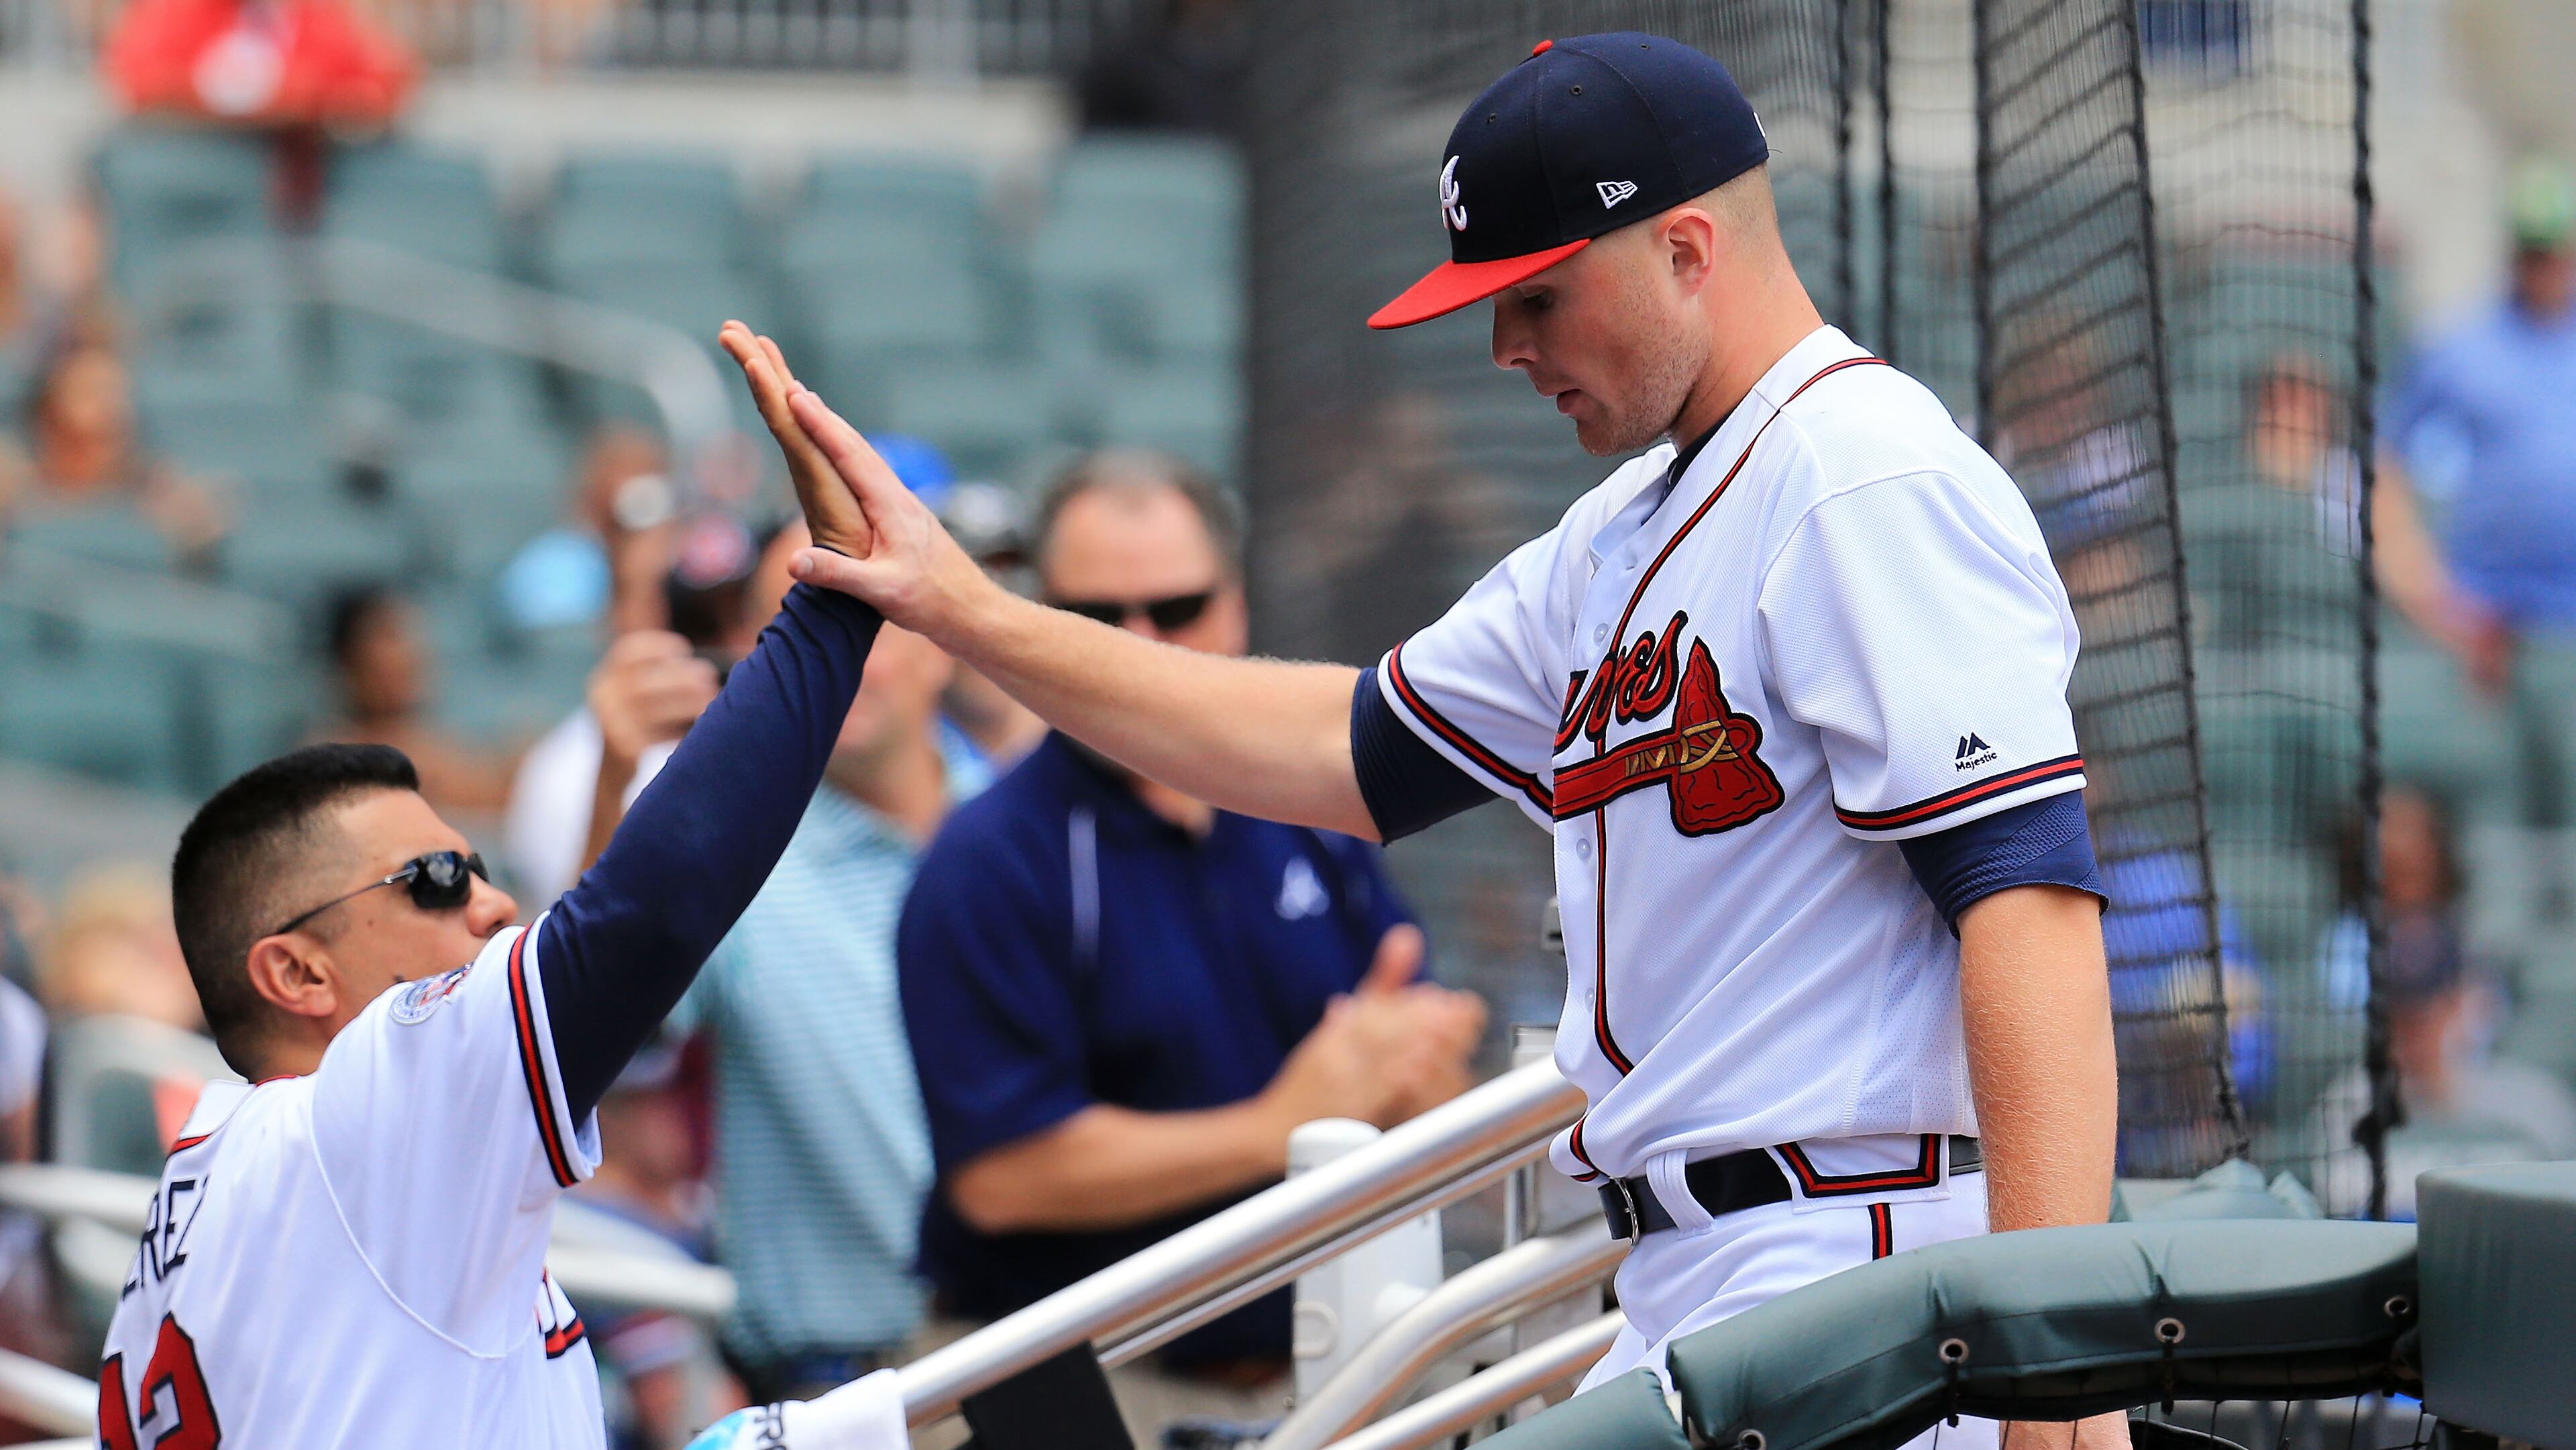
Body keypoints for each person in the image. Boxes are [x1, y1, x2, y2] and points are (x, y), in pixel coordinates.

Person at [708, 34, 2117, 1450]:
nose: (1507, 347)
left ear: (1689, 248)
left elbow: (2028, 906)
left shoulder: (1858, 470)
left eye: (1539, 296)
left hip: (1855, 1253)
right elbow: (1335, 742)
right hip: (1696, 1269)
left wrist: (2052, 1362)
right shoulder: (1614, 541)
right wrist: (968, 610)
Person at [93, 322, 915, 1450]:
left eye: (475, 867)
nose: (488, 902)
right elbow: (647, 910)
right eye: (431, 880)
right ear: (293, 968)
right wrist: (833, 599)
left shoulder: (240, 1174)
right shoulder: (368, 1113)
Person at [892, 452, 1483, 1445]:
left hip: (1326, 1370)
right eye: (1099, 614)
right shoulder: (990, 858)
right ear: (1040, 611)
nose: (1142, 644)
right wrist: (1283, 1123)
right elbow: (1001, 1178)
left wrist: (1422, 1069)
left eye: (1178, 607)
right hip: (1082, 1387)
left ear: (1238, 604)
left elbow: (1402, 1043)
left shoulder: (1310, 810)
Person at [655, 522, 988, 1404]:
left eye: (867, 612)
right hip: (831, 1388)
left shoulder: (1045, 832)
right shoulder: (723, 848)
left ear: (945, 642)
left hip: (1047, 1356)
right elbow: (588, 1026)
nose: (838, 649)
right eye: (797, 620)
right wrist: (623, 778)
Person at [2312, 785, 2576, 1218]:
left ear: (2456, 1001)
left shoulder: (2533, 1106)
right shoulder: (2344, 1107)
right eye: (2403, 1010)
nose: (2416, 1024)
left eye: (2429, 1007)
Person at [13, 338, 226, 568]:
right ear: (49, 408)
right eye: (91, 393)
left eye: (118, 393)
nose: (112, 409)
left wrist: (196, 527)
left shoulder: (157, 488)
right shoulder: (14, 484)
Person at [312, 586, 519, 820]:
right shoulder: (323, 766)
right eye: (390, 636)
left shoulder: (449, 755)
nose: (410, 652)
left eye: (411, 636)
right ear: (348, 657)